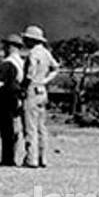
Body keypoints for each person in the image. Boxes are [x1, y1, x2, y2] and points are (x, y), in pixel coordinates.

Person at [20, 25, 58, 168]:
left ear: (31, 40)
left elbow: (29, 74)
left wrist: (23, 88)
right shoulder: (46, 53)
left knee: (30, 126)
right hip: (42, 90)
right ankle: (43, 158)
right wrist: (45, 80)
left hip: (32, 89)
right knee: (41, 126)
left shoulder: (33, 54)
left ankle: (31, 158)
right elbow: (56, 68)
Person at [0, 34, 26, 167]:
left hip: (6, 98)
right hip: (17, 97)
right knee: (15, 129)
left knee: (6, 130)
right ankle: (13, 156)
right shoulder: (22, 63)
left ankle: (7, 158)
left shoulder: (7, 63)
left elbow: (0, 82)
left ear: (10, 47)